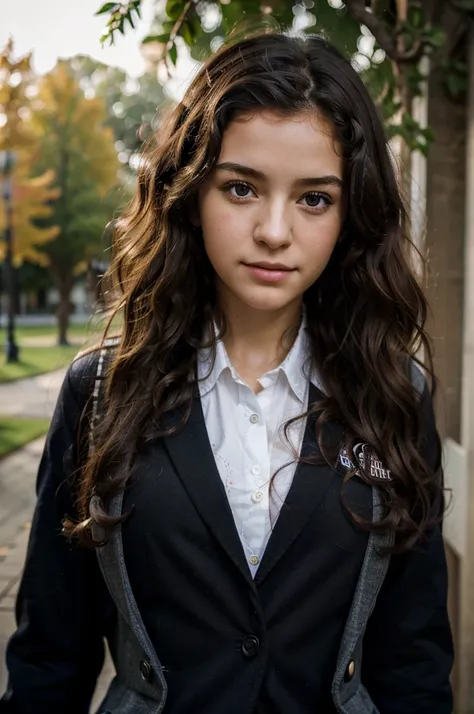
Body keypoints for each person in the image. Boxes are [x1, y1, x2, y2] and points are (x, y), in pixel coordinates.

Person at [0, 30, 453, 714]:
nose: (275, 230)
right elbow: (48, 661)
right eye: (242, 188)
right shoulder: (99, 395)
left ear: (350, 213)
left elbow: (413, 661)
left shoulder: (396, 396)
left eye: (314, 198)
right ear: (190, 192)